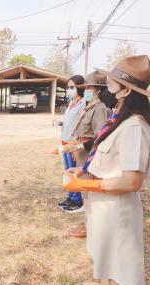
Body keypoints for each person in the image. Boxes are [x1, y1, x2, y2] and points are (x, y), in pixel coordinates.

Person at [64, 55, 150, 285]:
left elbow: (132, 181)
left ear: (125, 91)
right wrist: (83, 171)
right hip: (103, 208)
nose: (105, 90)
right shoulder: (117, 121)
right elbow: (107, 158)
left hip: (117, 211)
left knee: (117, 274)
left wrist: (85, 184)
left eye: (110, 85)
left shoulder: (134, 126)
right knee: (104, 270)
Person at [60, 71, 108, 214]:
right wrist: (75, 145)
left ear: (97, 90)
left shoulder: (100, 108)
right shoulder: (89, 107)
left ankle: (88, 221)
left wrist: (79, 145)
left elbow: (101, 136)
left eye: (88, 88)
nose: (85, 91)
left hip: (88, 155)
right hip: (80, 153)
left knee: (88, 190)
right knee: (83, 188)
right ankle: (86, 221)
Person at [57, 75, 86, 211]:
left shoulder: (84, 103)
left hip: (73, 144)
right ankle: (71, 196)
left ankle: (77, 200)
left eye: (72, 87)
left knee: (75, 171)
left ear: (80, 87)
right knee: (68, 171)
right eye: (68, 87)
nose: (69, 89)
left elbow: (82, 125)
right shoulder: (71, 102)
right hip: (65, 142)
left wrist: (76, 145)